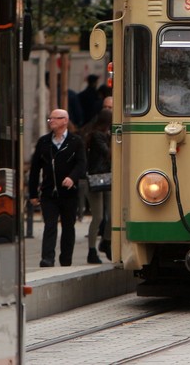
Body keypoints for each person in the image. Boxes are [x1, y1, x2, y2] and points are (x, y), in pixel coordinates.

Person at [28, 109, 87, 267]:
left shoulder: (75, 141)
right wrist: (33, 193)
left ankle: (66, 258)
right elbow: (35, 169)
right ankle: (47, 258)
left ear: (64, 121)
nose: (51, 121)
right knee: (50, 225)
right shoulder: (44, 142)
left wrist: (72, 178)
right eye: (50, 119)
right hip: (49, 192)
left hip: (69, 193)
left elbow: (81, 164)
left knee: (68, 226)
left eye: (54, 119)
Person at [84, 108, 113, 263]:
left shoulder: (105, 135)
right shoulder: (97, 136)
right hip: (97, 177)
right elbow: (108, 154)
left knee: (113, 214)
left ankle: (106, 241)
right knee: (98, 216)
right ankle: (91, 250)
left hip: (107, 177)